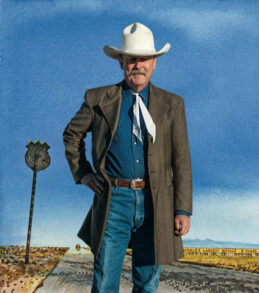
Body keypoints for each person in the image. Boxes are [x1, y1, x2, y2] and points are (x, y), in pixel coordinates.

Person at [63, 22, 192, 292]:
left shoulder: (172, 104)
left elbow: (181, 160)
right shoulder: (99, 99)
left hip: (155, 202)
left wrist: (182, 209)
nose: (138, 65)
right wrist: (83, 172)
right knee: (105, 282)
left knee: (147, 284)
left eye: (144, 59)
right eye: (132, 60)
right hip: (113, 201)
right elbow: (72, 136)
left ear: (154, 62)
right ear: (121, 62)